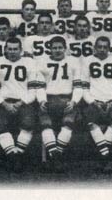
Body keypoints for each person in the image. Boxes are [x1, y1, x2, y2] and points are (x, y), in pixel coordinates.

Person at [0, 37, 40, 171]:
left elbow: (33, 91)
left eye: (15, 49)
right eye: (9, 49)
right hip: (3, 102)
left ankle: (15, 155)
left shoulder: (30, 62)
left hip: (23, 102)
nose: (12, 52)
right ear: (5, 50)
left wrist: (19, 103)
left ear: (21, 50)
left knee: (29, 124)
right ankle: (15, 157)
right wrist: (4, 104)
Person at [35, 36, 83, 171]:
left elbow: (78, 86)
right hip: (49, 99)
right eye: (54, 48)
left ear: (65, 48)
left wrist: (74, 101)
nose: (57, 50)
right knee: (45, 124)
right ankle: (57, 157)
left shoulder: (73, 62)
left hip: (67, 99)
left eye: (60, 48)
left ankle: (55, 156)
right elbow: (40, 87)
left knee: (68, 123)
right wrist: (42, 100)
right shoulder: (42, 63)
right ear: (50, 49)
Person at [82, 36, 112, 172]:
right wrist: (93, 102)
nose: (102, 49)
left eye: (105, 47)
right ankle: (106, 157)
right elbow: (84, 89)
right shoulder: (87, 61)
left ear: (109, 48)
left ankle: (102, 156)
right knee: (90, 121)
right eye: (99, 46)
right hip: (94, 101)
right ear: (94, 47)